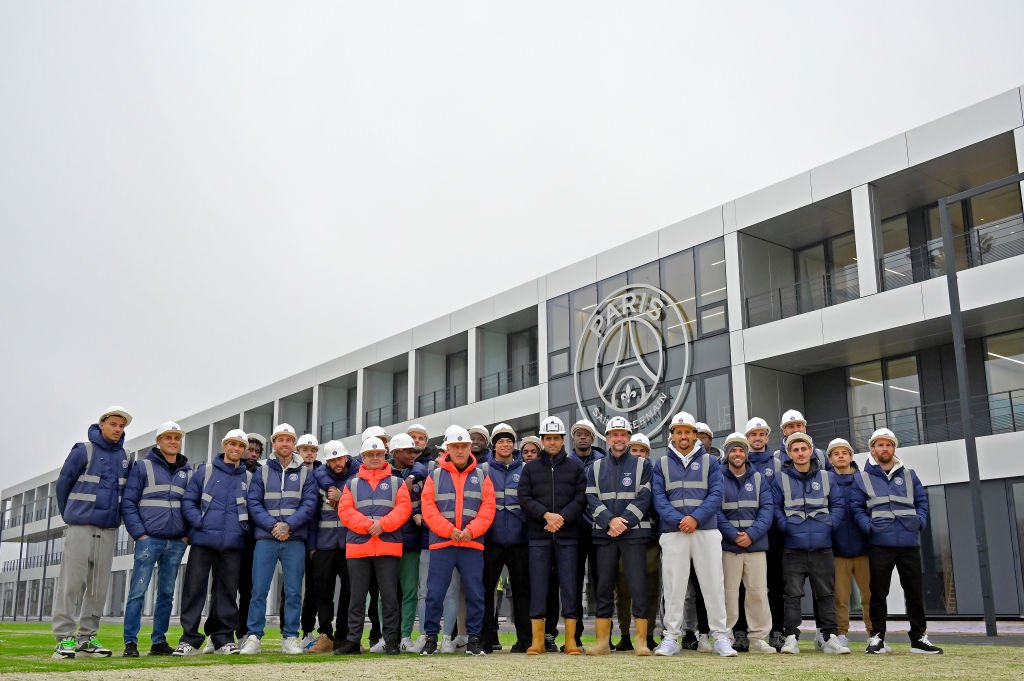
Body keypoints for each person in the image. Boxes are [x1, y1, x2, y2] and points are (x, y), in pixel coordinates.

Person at [850, 428, 943, 655]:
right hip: (879, 544)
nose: (885, 448)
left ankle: (919, 638)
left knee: (914, 593)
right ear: (872, 449)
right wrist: (869, 528)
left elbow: (922, 502)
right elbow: (856, 507)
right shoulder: (862, 477)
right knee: (878, 593)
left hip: (909, 543)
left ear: (894, 448)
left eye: (889, 444)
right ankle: (877, 637)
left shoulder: (910, 475)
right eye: (880, 445)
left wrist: (919, 522)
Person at [652, 411, 736, 657]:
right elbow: (659, 498)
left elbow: (716, 495)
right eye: (679, 432)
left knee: (713, 585)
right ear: (673, 435)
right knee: (674, 587)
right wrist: (681, 520)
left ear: (695, 434)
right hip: (673, 531)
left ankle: (720, 637)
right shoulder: (662, 463)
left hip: (706, 530)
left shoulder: (710, 462)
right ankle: (671, 637)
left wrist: (695, 518)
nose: (683, 436)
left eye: (687, 432)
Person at [52, 406, 133, 660]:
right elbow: (63, 484)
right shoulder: (83, 450)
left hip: (107, 528)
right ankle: (64, 638)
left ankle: (87, 639)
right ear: (102, 425)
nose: (118, 430)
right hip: (80, 526)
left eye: (122, 426)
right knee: (71, 583)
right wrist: (71, 516)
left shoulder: (127, 457)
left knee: (98, 587)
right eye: (113, 425)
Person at [240, 423, 319, 655]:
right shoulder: (262, 470)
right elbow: (253, 502)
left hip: (294, 539)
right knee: (259, 589)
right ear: (273, 443)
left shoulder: (306, 472)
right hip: (266, 537)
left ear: (294, 444)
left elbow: (309, 503)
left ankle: (291, 637)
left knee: (294, 590)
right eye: (280, 440)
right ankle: (254, 636)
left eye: (289, 440)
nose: (285, 444)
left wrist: (289, 525)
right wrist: (273, 525)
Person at [420, 426, 497, 656]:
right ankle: (431, 638)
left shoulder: (482, 475)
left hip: (471, 544)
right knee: (435, 593)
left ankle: (474, 639)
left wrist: (471, 531)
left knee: (475, 593)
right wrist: (449, 530)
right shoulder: (434, 475)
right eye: (456, 446)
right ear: (448, 449)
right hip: (443, 543)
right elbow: (428, 508)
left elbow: (488, 508)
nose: (460, 450)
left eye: (464, 446)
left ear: (469, 448)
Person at [174, 429, 252, 656]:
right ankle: (188, 640)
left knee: (227, 593)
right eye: (232, 444)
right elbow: (188, 500)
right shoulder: (205, 472)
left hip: (233, 544)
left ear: (243, 450)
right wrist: (199, 522)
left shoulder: (248, 478)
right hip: (203, 540)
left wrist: (243, 531)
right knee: (194, 590)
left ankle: (223, 639)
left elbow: (254, 507)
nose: (236, 449)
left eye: (240, 445)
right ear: (224, 445)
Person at [771, 432, 849, 654]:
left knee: (825, 594)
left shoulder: (827, 477)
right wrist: (785, 527)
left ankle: (829, 637)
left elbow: (838, 506)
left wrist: (829, 525)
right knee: (792, 595)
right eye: (795, 450)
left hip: (822, 547)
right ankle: (791, 638)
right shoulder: (780, 478)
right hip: (793, 548)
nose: (800, 453)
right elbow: (775, 508)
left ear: (811, 451)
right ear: (789, 453)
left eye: (804, 449)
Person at [336, 436, 412, 655]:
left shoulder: (397, 482)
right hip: (359, 547)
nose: (375, 458)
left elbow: (403, 509)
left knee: (389, 598)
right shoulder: (351, 483)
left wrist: (383, 525)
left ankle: (391, 641)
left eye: (379, 454)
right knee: (356, 598)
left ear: (385, 456)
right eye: (371, 455)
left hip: (387, 546)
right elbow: (345, 510)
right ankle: (353, 641)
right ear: (363, 457)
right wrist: (370, 525)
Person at [518, 416, 587, 655]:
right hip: (539, 536)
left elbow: (581, 498)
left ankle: (570, 641)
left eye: (556, 438)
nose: (552, 442)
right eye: (548, 438)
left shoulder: (575, 467)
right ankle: (537, 641)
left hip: (568, 538)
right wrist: (546, 515)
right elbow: (524, 498)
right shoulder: (530, 469)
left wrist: (562, 518)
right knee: (539, 587)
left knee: (570, 587)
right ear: (542, 440)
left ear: (562, 440)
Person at [121, 421, 190, 657]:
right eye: (168, 437)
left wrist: (186, 535)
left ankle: (158, 641)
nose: (173, 441)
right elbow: (128, 502)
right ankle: (130, 642)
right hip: (149, 540)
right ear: (158, 441)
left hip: (176, 542)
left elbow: (191, 505)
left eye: (177, 438)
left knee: (167, 594)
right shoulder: (143, 467)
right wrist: (140, 533)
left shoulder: (187, 472)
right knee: (138, 592)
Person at [585, 417, 653, 657]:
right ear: (607, 438)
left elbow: (645, 497)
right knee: (603, 587)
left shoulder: (642, 465)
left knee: (638, 585)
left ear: (629, 437)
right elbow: (591, 499)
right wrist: (609, 521)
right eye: (614, 434)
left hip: (633, 534)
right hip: (604, 535)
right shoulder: (594, 467)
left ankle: (641, 642)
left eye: (623, 434)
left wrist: (622, 522)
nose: (618, 438)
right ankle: (603, 641)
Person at [717, 433, 775, 654]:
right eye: (733, 450)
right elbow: (716, 511)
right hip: (729, 547)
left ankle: (759, 638)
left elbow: (766, 510)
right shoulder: (718, 478)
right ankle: (726, 636)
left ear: (746, 453)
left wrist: (751, 535)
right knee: (728, 593)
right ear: (727, 453)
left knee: (758, 593)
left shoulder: (758, 478)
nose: (738, 453)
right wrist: (733, 535)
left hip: (755, 545)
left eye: (741, 450)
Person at [481, 423, 532, 653]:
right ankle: (488, 637)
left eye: (509, 440)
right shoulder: (483, 470)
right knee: (486, 590)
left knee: (521, 590)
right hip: (491, 540)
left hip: (519, 540)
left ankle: (525, 639)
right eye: (501, 441)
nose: (505, 444)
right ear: (494, 445)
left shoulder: (526, 470)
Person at [306, 440, 358, 654]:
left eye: (340, 458)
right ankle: (326, 634)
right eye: (333, 459)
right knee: (323, 592)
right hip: (324, 544)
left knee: (349, 592)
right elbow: (312, 514)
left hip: (350, 544)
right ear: (327, 461)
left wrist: (343, 496)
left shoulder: (358, 478)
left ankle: (345, 636)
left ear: (346, 457)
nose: (337, 463)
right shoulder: (318, 479)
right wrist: (311, 545)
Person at [612, 433, 661, 653]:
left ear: (648, 454)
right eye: (635, 450)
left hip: (649, 542)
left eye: (643, 450)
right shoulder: (621, 472)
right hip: (625, 538)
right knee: (623, 590)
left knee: (650, 589)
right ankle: (624, 636)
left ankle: (648, 635)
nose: (639, 453)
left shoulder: (656, 475)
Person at [827, 438, 872, 650]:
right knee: (841, 598)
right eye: (836, 453)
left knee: (869, 595)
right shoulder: (826, 481)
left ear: (851, 456)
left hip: (864, 548)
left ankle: (873, 633)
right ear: (830, 459)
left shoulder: (864, 479)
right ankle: (841, 634)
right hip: (838, 550)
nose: (841, 456)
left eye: (844, 452)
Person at [743, 416, 782, 651]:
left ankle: (776, 631)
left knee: (775, 585)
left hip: (774, 533)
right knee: (743, 587)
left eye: (761, 434)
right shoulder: (739, 460)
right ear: (747, 438)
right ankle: (742, 633)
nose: (757, 438)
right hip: (745, 534)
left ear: (767, 437)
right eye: (753, 435)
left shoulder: (778, 463)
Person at [387, 433, 428, 652]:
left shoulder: (421, 474)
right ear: (396, 453)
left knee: (410, 591)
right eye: (409, 451)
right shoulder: (382, 473)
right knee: (387, 592)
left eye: (415, 452)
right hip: (387, 540)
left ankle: (404, 636)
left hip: (411, 541)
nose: (413, 455)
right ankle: (387, 636)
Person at [568, 418, 605, 649]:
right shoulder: (566, 462)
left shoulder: (603, 461)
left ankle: (605, 637)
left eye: (586, 434)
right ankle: (574, 638)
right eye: (578, 433)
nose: (582, 437)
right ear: (573, 437)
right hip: (573, 531)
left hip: (600, 529)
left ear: (593, 438)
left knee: (601, 584)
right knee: (573, 584)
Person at [235, 433, 265, 646]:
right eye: (250, 450)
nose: (253, 454)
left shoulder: (263, 474)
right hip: (231, 535)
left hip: (253, 538)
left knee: (249, 588)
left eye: (257, 451)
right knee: (224, 587)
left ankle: (244, 631)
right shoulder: (231, 470)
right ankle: (216, 632)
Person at [293, 434, 322, 649]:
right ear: (298, 451)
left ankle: (308, 631)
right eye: (305, 449)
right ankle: (290, 632)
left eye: (312, 450)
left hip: (315, 538)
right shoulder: (291, 472)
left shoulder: (322, 474)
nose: (309, 453)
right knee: (292, 588)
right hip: (293, 535)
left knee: (314, 587)